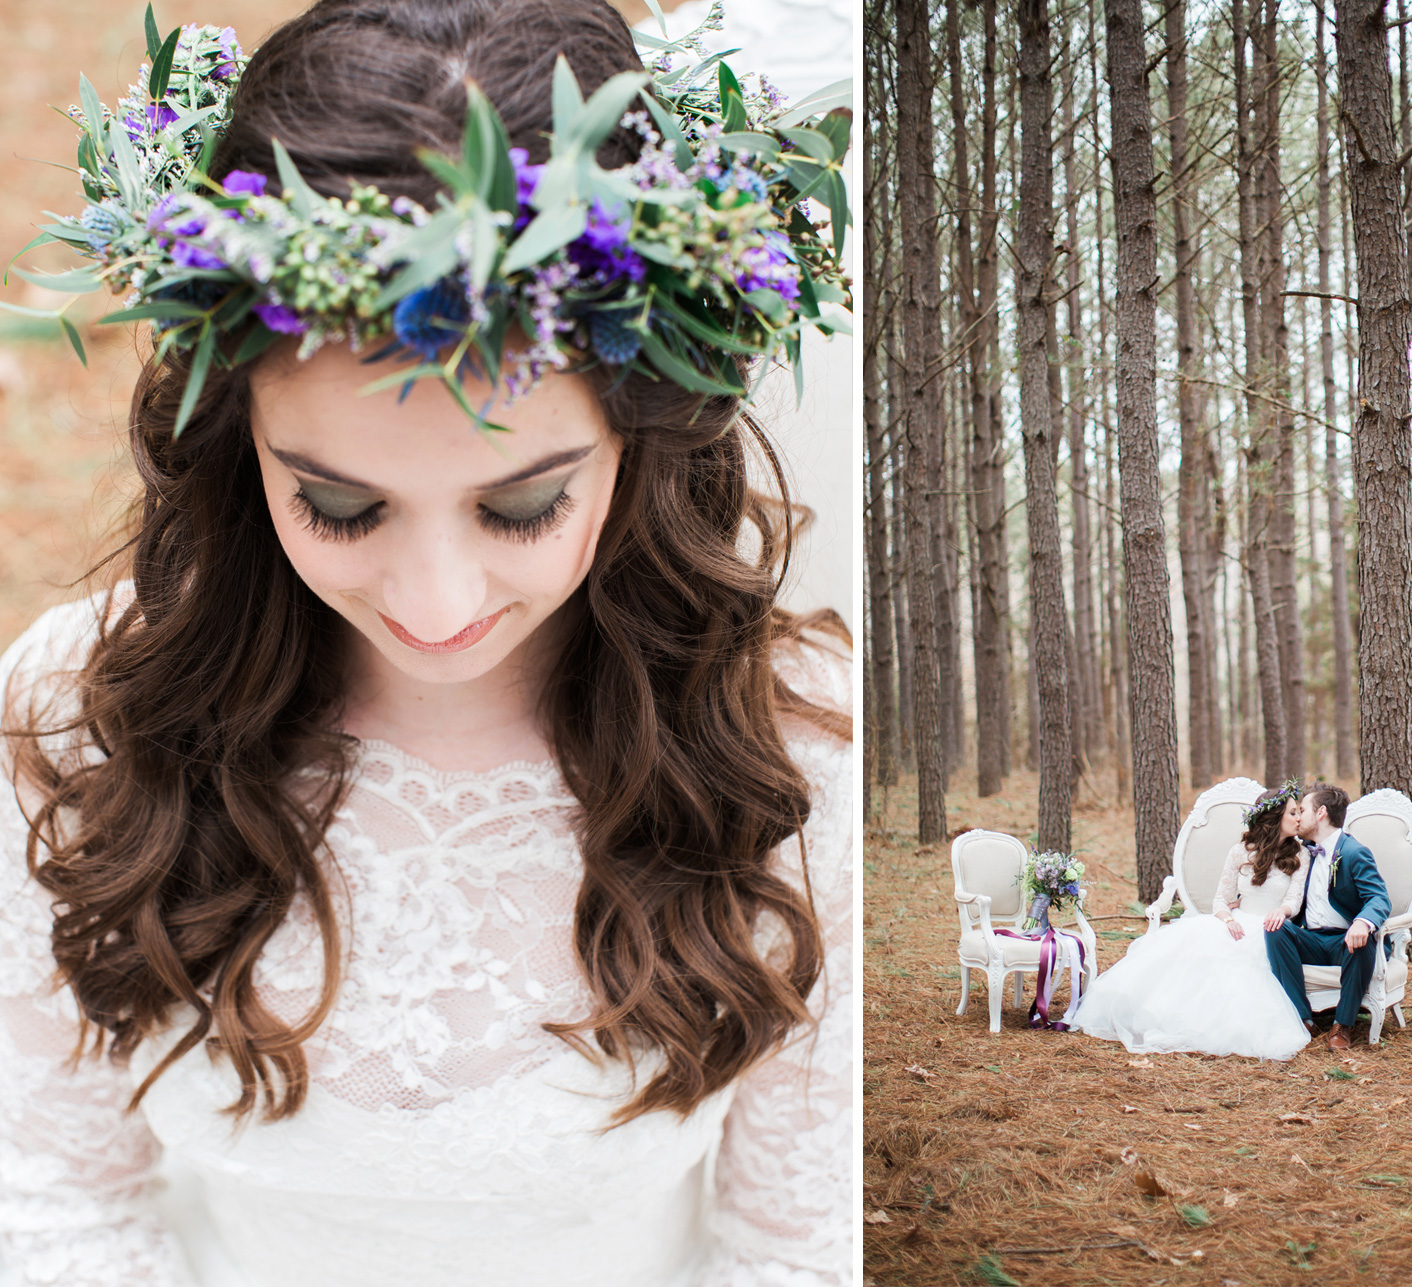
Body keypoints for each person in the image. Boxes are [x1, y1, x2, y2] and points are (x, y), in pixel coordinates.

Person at [0, 3, 853, 1284]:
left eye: (523, 505)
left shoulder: (790, 747)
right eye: (339, 505)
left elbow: (796, 1243)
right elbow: (52, 1191)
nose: (437, 602)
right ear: (239, 443)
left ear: (642, 432)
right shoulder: (80, 710)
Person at [1064, 783, 1312, 1061]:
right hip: (1236, 921)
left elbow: (1295, 899)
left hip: (1271, 928)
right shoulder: (1240, 852)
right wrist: (1228, 919)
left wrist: (1282, 911)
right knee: (1198, 957)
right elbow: (1221, 899)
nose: (1299, 817)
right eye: (1293, 812)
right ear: (1275, 817)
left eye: (1300, 812)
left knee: (1244, 968)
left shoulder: (1300, 854)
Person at [1265, 783, 1392, 1052]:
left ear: (1321, 812)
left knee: (1363, 940)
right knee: (1275, 931)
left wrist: (1361, 922)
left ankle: (1342, 1024)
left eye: (1303, 810)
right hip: (1310, 939)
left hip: (1343, 943)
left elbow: (1379, 898)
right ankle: (1302, 1018)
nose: (1298, 817)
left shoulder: (1353, 852)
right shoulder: (1302, 853)